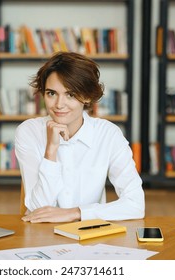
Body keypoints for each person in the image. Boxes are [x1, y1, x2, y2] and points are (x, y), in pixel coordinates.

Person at [15, 51, 145, 223]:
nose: (59, 104)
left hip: (90, 235)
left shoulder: (108, 134)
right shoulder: (29, 132)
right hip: (42, 235)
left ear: (86, 97)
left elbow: (136, 205)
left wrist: (77, 213)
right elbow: (38, 211)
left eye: (70, 94)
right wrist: (51, 151)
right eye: (51, 93)